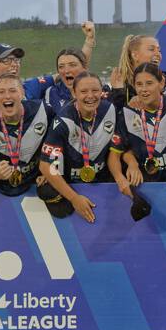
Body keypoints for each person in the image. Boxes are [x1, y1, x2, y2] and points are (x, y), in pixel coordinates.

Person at [0, 23, 95, 157]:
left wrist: (89, 42)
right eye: (7, 60)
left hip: (28, 172)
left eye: (16, 60)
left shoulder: (31, 87)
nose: (14, 64)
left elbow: (73, 71)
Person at [41, 71, 119, 223]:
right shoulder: (63, 121)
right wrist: (74, 198)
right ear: (74, 93)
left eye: (95, 90)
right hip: (72, 183)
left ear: (102, 91)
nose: (90, 96)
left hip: (104, 181)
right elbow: (46, 165)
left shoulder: (110, 110)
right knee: (46, 188)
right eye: (83, 91)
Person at [108, 63, 166, 200]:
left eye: (149, 83)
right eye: (139, 84)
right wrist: (121, 178)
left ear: (162, 83)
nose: (144, 89)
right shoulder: (128, 114)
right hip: (147, 190)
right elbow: (115, 154)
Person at [0, 75, 53, 197]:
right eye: (1, 92)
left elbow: (58, 146)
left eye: (12, 90)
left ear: (22, 93)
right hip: (2, 189)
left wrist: (49, 172)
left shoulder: (43, 111)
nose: (7, 96)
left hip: (38, 184)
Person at [109, 34, 166, 106]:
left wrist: (154, 98)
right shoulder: (117, 82)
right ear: (135, 55)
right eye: (151, 49)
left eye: (159, 50)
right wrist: (119, 92)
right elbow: (112, 114)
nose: (158, 54)